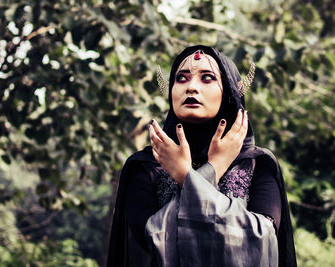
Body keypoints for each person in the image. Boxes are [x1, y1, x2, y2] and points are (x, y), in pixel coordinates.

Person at [107, 45, 297, 267]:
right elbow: (153, 242)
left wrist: (184, 176)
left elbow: (259, 241)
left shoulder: (258, 164)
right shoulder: (146, 166)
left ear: (229, 92)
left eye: (207, 78)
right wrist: (213, 169)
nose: (191, 88)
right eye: (181, 78)